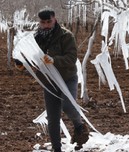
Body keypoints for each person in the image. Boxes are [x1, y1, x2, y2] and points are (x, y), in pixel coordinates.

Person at [14, 7, 89, 152]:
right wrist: (22, 64)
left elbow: (71, 58)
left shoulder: (66, 36)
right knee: (53, 117)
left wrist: (54, 60)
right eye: (43, 22)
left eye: (49, 21)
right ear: (39, 22)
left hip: (67, 78)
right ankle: (57, 149)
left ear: (54, 19)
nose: (47, 25)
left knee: (68, 106)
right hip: (49, 81)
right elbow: (31, 60)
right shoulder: (35, 38)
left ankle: (79, 126)